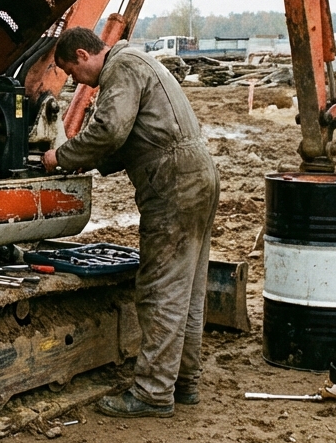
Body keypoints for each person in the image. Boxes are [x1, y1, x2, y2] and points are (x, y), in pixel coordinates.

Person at [43, 27, 219, 418]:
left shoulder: (121, 69)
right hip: (198, 176)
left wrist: (63, 156)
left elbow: (109, 130)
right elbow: (127, 139)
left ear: (85, 54)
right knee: (188, 289)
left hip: (173, 184)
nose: (75, 82)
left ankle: (154, 393)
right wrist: (89, 159)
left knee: (161, 289)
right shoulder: (140, 62)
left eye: (72, 72)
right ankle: (184, 381)